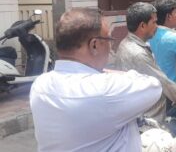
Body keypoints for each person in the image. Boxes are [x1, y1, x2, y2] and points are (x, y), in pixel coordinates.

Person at [30, 8, 162, 152]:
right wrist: (105, 73)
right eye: (109, 39)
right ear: (94, 45)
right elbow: (154, 86)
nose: (110, 46)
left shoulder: (40, 84)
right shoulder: (105, 89)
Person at [115, 2, 176, 122]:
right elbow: (164, 82)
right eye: (153, 22)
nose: (156, 26)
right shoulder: (138, 53)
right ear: (142, 26)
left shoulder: (125, 44)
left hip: (139, 109)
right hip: (156, 109)